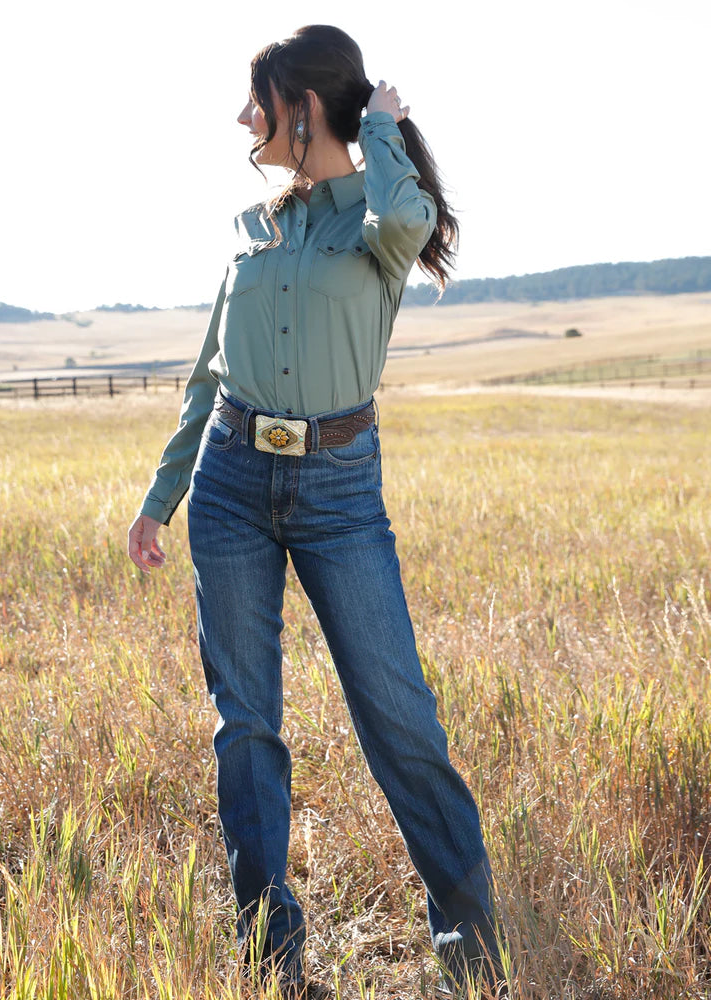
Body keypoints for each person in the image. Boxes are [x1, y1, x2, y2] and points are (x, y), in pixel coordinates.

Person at [128, 24, 506, 998]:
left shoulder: (376, 228)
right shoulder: (251, 229)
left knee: (398, 719)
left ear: (300, 107)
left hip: (340, 493)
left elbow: (410, 216)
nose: (241, 118)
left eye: (258, 101)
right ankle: (272, 954)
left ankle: (471, 948)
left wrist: (377, 126)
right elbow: (208, 374)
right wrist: (159, 501)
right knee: (244, 725)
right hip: (229, 486)